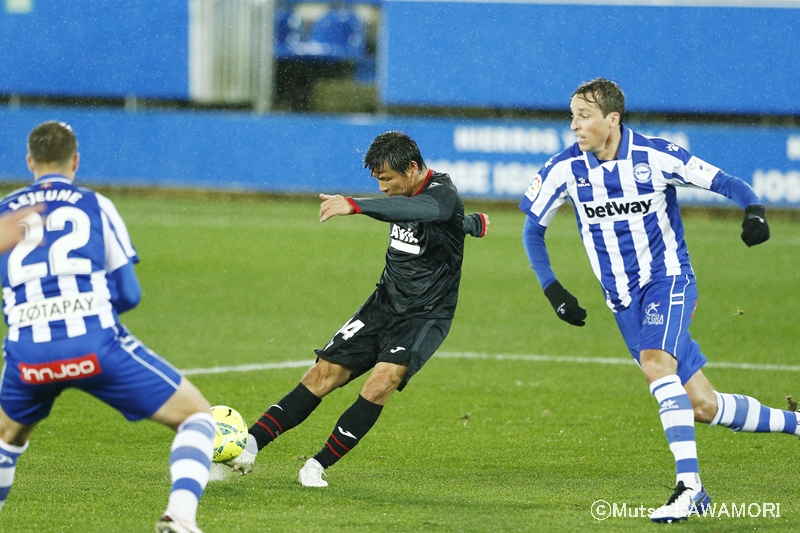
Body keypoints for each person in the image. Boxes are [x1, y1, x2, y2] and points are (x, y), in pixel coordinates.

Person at [519, 78, 791, 523]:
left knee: (655, 364)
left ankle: (690, 488)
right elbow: (533, 228)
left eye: (583, 116)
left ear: (612, 119)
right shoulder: (565, 169)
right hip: (623, 302)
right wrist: (553, 288)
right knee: (702, 405)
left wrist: (754, 210)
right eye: (571, 116)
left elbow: (724, 181)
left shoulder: (654, 155)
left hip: (668, 281)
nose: (574, 126)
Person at [226, 131, 489, 486]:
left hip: (424, 315)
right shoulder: (418, 198)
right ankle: (250, 445)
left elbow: (424, 210)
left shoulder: (441, 194)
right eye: (377, 181)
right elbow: (440, 219)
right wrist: (472, 224)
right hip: (384, 303)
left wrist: (355, 205)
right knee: (321, 374)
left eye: (386, 180)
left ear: (411, 169)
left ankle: (316, 465)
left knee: (382, 381)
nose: (382, 188)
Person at [0, 121, 215, 533]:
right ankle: (180, 517)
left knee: (6, 439)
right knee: (197, 417)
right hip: (94, 343)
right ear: (75, 161)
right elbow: (129, 293)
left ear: (29, 161)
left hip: (27, 353)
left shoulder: (6, 211)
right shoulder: (94, 203)